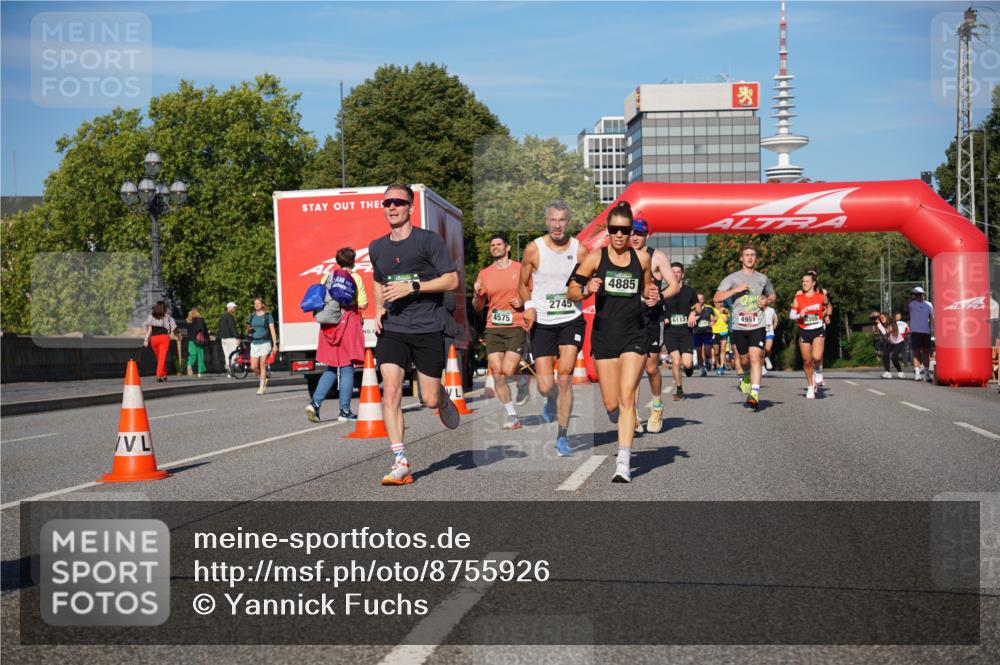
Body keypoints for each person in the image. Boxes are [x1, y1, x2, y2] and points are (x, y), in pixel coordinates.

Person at [567, 201, 665, 483]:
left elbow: (647, 290)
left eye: (625, 230)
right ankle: (619, 419)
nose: (620, 235)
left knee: (626, 397)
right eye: (614, 230)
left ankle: (624, 461)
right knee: (611, 403)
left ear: (631, 230)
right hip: (605, 336)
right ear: (608, 231)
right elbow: (571, 291)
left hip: (635, 334)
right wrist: (587, 289)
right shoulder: (595, 258)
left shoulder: (642, 259)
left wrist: (651, 296)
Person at [370, 183, 460, 486]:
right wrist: (378, 308)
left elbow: (451, 280)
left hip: (427, 327)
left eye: (398, 202)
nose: (392, 207)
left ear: (410, 207)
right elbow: (378, 280)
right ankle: (400, 461)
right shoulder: (377, 247)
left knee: (429, 398)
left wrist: (414, 287)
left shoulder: (428, 241)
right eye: (387, 203)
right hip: (393, 328)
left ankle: (443, 399)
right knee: (391, 390)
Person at [518, 200, 589, 457]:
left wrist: (587, 290)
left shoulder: (581, 250)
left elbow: (590, 280)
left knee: (566, 375)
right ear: (547, 221)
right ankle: (551, 398)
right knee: (546, 386)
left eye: (562, 220)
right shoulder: (533, 250)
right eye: (553, 220)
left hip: (571, 318)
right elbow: (522, 284)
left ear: (569, 222)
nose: (557, 225)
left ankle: (562, 436)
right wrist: (529, 306)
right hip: (543, 322)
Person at [305, 247, 367, 423]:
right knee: (347, 368)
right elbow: (363, 303)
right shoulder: (355, 278)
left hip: (329, 326)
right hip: (348, 324)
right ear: (353, 261)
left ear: (337, 261)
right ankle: (344, 411)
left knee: (332, 367)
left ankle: (315, 403)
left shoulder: (327, 277)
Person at [473, 234, 529, 430]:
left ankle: (522, 382)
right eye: (492, 245)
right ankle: (512, 415)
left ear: (508, 248)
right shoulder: (484, 273)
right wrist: (476, 294)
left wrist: (523, 301)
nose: (495, 247)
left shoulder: (520, 269)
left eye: (498, 244)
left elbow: (533, 293)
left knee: (508, 370)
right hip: (493, 327)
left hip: (517, 324)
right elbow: (478, 306)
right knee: (497, 372)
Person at [628, 219, 676, 433]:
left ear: (647, 235)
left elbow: (674, 285)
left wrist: (660, 297)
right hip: (630, 319)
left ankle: (657, 407)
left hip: (652, 319)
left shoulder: (657, 257)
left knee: (650, 367)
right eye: (632, 233)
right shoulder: (622, 256)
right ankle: (632, 414)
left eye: (639, 234)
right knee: (633, 368)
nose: (635, 237)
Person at [714, 243, 777, 410]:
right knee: (744, 360)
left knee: (757, 357)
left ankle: (754, 393)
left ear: (756, 258)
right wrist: (735, 291)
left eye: (753, 255)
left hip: (758, 324)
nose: (750, 257)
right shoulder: (732, 278)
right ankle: (747, 376)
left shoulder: (762, 278)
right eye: (747, 255)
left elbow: (772, 295)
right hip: (739, 327)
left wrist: (767, 300)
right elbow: (717, 297)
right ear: (741, 258)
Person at [789, 270, 830, 399]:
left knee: (817, 357)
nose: (804, 284)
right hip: (804, 331)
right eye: (803, 281)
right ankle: (810, 387)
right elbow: (791, 315)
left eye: (807, 281)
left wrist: (826, 314)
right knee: (807, 361)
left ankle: (818, 371)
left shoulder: (821, 296)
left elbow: (828, 306)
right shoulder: (798, 298)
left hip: (817, 329)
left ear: (813, 283)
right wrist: (799, 315)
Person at [661, 262, 698, 401]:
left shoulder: (690, 291)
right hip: (670, 332)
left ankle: (689, 368)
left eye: (678, 272)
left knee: (687, 364)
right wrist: (663, 318)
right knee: (676, 361)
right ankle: (679, 390)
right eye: (673, 272)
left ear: (682, 274)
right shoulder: (664, 292)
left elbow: (698, 307)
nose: (675, 274)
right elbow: (657, 310)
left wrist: (693, 313)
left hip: (686, 332)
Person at [248, 297, 278, 395]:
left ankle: (261, 387)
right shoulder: (251, 316)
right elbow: (248, 329)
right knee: (253, 367)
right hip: (254, 343)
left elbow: (272, 330)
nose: (256, 305)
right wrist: (249, 329)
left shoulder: (268, 316)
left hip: (265, 343)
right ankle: (263, 378)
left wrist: (275, 344)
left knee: (262, 364)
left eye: (258, 303)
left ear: (263, 304)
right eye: (255, 303)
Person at [143, 301, 177, 382]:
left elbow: (149, 330)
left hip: (154, 339)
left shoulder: (151, 317)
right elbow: (174, 327)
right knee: (161, 358)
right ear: (164, 308)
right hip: (164, 338)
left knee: (160, 358)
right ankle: (159, 375)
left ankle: (164, 374)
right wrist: (178, 335)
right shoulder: (167, 317)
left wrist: (146, 340)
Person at [907, 286, 934, 382]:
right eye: (917, 294)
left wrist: (932, 329)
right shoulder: (912, 304)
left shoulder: (929, 304)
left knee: (926, 352)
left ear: (923, 294)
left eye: (920, 294)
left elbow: (932, 318)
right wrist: (912, 296)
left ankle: (927, 374)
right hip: (915, 331)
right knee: (916, 353)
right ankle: (917, 373)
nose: (919, 296)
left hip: (926, 331)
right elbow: (905, 306)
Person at [876, 312, 908, 378]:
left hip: (899, 343)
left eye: (882, 318)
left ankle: (900, 372)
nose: (881, 319)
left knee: (894, 357)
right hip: (890, 343)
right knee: (885, 355)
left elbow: (885, 332)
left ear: (886, 317)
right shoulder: (883, 324)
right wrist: (876, 321)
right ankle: (887, 372)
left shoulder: (892, 323)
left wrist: (879, 324)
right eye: (880, 318)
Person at [693, 294, 717, 377]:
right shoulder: (693, 309)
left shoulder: (709, 308)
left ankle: (707, 360)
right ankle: (702, 369)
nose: (699, 301)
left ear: (704, 300)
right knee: (699, 352)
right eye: (698, 299)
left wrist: (713, 322)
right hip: (697, 333)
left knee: (707, 351)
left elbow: (715, 317)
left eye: (701, 299)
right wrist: (694, 318)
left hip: (707, 332)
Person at [185, 307, 209, 378]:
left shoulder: (188, 321)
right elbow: (203, 329)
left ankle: (189, 364)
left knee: (192, 355)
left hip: (191, 341)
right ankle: (200, 372)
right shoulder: (200, 320)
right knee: (200, 356)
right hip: (198, 340)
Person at [218, 302, 239, 378]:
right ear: (229, 307)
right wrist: (237, 337)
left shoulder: (222, 316)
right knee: (235, 353)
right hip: (231, 338)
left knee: (227, 355)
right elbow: (232, 327)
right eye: (233, 307)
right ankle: (231, 367)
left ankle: (228, 369)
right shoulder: (230, 316)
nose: (235, 309)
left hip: (223, 338)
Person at [711, 302, 729, 375]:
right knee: (716, 351)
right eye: (716, 303)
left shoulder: (726, 310)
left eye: (719, 302)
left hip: (724, 331)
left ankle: (721, 367)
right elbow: (711, 323)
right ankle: (717, 364)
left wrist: (726, 318)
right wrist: (714, 320)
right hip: (715, 332)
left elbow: (728, 320)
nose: (717, 304)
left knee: (723, 349)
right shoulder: (712, 310)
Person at [763, 304, 778, 375]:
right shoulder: (757, 309)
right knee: (761, 350)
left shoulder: (771, 310)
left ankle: (767, 358)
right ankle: (762, 367)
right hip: (759, 332)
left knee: (768, 348)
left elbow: (775, 318)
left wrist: (775, 324)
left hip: (769, 332)